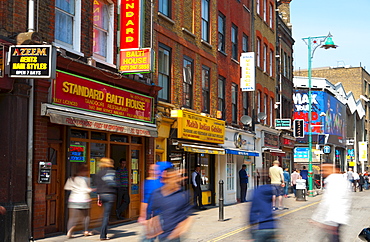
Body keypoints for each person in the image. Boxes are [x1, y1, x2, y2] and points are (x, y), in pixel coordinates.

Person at [148, 168, 193, 241]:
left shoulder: (183, 195)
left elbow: (187, 217)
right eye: (168, 178)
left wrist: (180, 229)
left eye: (174, 178)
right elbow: (152, 213)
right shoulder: (157, 194)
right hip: (161, 237)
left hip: (174, 237)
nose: (171, 180)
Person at [311, 163, 352, 242]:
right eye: (321, 170)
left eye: (325, 170)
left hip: (332, 219)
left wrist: (317, 218)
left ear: (334, 170)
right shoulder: (343, 181)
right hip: (337, 218)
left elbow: (328, 201)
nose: (322, 172)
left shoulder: (334, 181)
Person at [64, 164, 94, 238]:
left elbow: (67, 188)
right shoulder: (84, 179)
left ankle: (69, 232)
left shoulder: (71, 178)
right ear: (83, 171)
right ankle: (86, 231)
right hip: (83, 199)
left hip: (73, 199)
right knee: (86, 216)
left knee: (72, 218)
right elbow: (86, 189)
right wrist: (92, 189)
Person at [95, 157, 118, 241]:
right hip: (110, 195)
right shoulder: (111, 172)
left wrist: (98, 198)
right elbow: (114, 183)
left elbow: (98, 186)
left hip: (101, 195)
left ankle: (100, 230)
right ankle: (103, 235)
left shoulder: (99, 173)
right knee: (106, 215)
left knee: (104, 214)